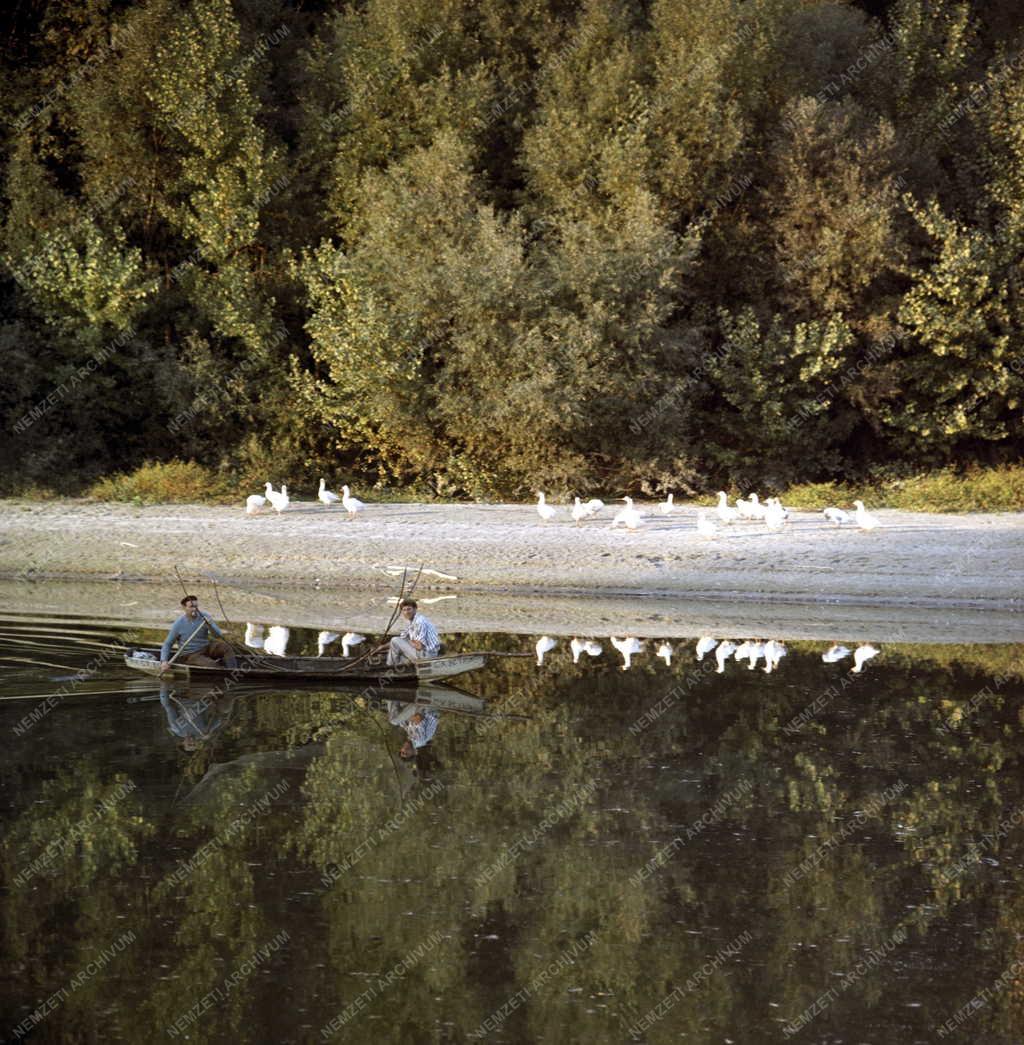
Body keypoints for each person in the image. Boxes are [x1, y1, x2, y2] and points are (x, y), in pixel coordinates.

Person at [160, 594, 237, 672]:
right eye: (191, 607)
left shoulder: (204, 616)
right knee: (211, 665)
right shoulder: (179, 624)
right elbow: (168, 644)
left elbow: (218, 635)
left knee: (226, 647)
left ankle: (233, 670)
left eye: (196, 606)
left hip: (206, 647)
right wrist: (164, 661)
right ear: (184, 608)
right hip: (191, 654)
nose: (195, 609)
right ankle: (222, 671)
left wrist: (210, 625)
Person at [386, 598, 441, 666]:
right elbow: (402, 637)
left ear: (415, 609)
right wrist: (382, 647)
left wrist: (408, 642)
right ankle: (396, 664)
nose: (406, 612)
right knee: (398, 650)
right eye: (404, 610)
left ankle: (390, 666)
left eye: (409, 609)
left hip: (427, 655)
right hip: (425, 653)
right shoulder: (412, 621)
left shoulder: (419, 622)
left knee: (394, 640)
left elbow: (419, 646)